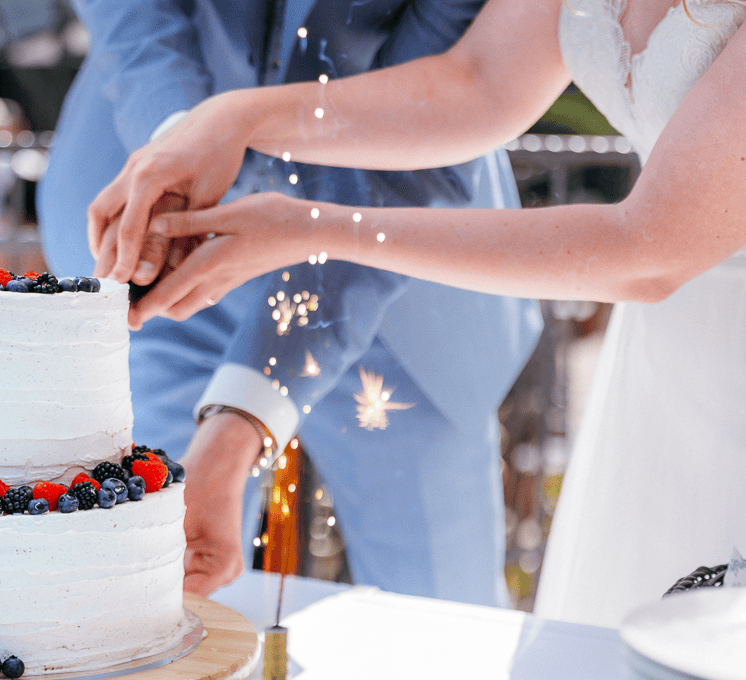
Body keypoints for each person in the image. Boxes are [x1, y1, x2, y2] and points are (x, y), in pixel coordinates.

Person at [91, 0, 746, 628]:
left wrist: (318, 228)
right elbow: (475, 81)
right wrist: (234, 118)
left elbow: (647, 251)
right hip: (667, 370)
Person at [40, 0, 542, 604]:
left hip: (399, 289)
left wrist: (236, 427)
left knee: (439, 617)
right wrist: (176, 139)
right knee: (155, 592)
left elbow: (446, 103)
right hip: (154, 258)